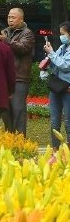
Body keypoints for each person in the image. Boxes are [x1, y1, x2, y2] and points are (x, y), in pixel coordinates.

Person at [43, 21, 70, 149]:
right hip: (56, 88)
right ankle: (56, 150)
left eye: (63, 34)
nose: (61, 36)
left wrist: (52, 53)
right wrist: (47, 63)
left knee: (69, 123)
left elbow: (65, 66)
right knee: (54, 122)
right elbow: (56, 65)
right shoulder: (62, 48)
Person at [0, 8, 35, 136]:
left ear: (21, 19)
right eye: (9, 17)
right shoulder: (5, 32)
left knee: (18, 110)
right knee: (5, 111)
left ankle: (20, 142)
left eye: (13, 17)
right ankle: (10, 139)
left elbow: (22, 48)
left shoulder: (27, 33)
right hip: (4, 79)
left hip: (19, 78)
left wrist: (6, 41)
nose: (10, 19)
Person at [0, 40, 15, 130]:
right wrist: (11, 89)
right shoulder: (5, 48)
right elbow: (11, 73)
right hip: (1, 89)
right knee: (8, 123)